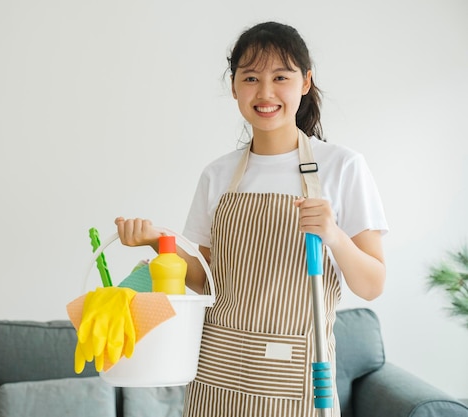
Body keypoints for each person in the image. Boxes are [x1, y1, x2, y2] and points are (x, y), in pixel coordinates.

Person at [115, 21, 387, 417]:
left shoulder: (342, 167)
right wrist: (158, 242)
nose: (265, 93)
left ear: (305, 81)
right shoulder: (218, 174)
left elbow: (373, 284)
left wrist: (333, 235)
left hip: (293, 375)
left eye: (281, 77)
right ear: (233, 86)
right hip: (216, 371)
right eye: (251, 78)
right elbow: (204, 276)